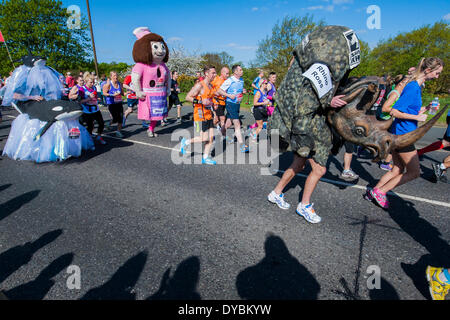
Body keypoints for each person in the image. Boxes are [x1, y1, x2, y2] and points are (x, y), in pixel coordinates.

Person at [268, 26, 363, 223]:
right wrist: (329, 100)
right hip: (304, 128)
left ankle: (276, 193)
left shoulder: (315, 71)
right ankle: (304, 205)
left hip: (306, 127)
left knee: (299, 165)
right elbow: (305, 104)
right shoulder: (315, 72)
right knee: (318, 169)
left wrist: (330, 98)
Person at [365, 57, 444, 209]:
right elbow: (395, 111)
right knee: (414, 172)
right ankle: (381, 191)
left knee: (397, 168)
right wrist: (417, 117)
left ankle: (374, 191)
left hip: (400, 132)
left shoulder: (416, 86)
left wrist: (426, 109)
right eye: (437, 73)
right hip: (403, 135)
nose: (437, 76)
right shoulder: (413, 87)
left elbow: (409, 109)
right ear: (428, 70)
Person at [130, 27, 171, 138]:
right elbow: (135, 78)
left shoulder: (163, 65)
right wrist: (138, 91)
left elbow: (168, 77)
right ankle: (149, 127)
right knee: (150, 114)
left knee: (158, 115)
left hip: (160, 94)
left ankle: (151, 129)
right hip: (148, 94)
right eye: (156, 47)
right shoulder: (141, 65)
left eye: (162, 47)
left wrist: (168, 88)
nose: (160, 50)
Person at [180, 66, 217, 165]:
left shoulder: (211, 86)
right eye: (213, 73)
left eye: (215, 73)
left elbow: (209, 101)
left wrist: (215, 109)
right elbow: (188, 97)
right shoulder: (200, 85)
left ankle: (205, 158)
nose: (215, 75)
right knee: (204, 138)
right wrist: (200, 101)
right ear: (206, 73)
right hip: (199, 116)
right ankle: (186, 142)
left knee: (211, 138)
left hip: (209, 115)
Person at [217, 64, 249, 153]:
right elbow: (219, 90)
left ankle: (218, 136)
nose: (242, 71)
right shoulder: (229, 80)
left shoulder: (241, 80)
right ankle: (242, 145)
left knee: (227, 124)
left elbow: (238, 89)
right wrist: (228, 95)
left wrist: (242, 91)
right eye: (240, 70)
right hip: (230, 104)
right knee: (237, 123)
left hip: (237, 104)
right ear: (235, 72)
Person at [81, 75, 106, 145]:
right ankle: (89, 140)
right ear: (86, 82)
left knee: (101, 123)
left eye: (93, 82)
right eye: (90, 82)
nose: (92, 84)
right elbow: (80, 101)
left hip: (95, 109)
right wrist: (89, 98)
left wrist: (97, 98)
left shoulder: (94, 87)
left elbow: (95, 96)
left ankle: (99, 136)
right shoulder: (82, 89)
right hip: (87, 111)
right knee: (90, 126)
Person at [103, 71, 124, 138]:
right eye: (114, 75)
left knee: (120, 117)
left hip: (119, 103)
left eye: (116, 75)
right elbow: (104, 93)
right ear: (111, 77)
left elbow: (122, 93)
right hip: (111, 103)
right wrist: (112, 95)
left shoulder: (119, 84)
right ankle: (108, 124)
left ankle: (118, 132)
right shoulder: (108, 85)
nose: (116, 77)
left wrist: (130, 92)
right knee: (115, 118)